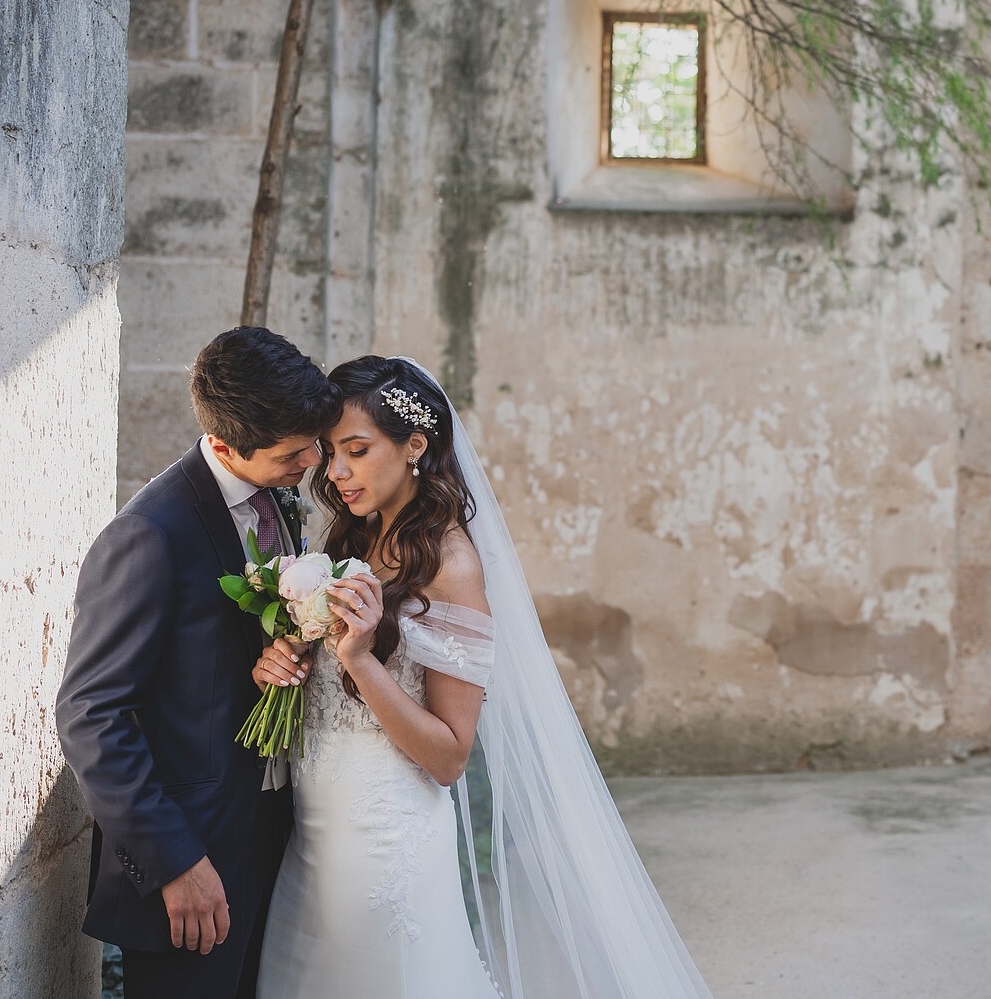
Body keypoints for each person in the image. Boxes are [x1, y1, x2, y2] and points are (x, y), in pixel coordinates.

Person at [252, 356, 714, 999]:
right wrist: (289, 658)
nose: (334, 472)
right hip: (314, 837)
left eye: (355, 451)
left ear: (415, 445)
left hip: (386, 844)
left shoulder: (451, 565)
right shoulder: (350, 542)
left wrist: (358, 661)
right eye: (330, 452)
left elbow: (449, 756)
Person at [56, 327, 342, 999]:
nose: (313, 459)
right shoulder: (149, 536)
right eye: (293, 452)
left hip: (275, 837)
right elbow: (89, 715)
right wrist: (174, 861)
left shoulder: (280, 495)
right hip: (194, 860)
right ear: (222, 444)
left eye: (314, 442)